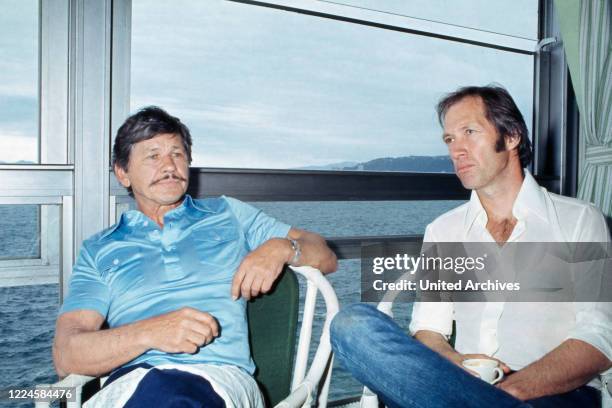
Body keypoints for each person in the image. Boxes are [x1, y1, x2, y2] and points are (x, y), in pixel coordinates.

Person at [330, 86, 611, 407]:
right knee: (352, 326)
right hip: (461, 384)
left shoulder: (579, 220)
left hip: (553, 394)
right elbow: (428, 330)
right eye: (449, 139)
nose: (456, 150)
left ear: (511, 136)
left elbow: (598, 337)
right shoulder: (444, 229)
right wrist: (453, 362)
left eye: (469, 132)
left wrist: (509, 391)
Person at [52, 106, 337, 407]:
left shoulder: (228, 214)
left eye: (177, 153)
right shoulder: (99, 249)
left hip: (221, 379)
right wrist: (151, 332)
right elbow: (66, 355)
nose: (169, 165)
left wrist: (282, 247)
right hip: (129, 386)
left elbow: (326, 257)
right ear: (123, 173)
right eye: (153, 155)